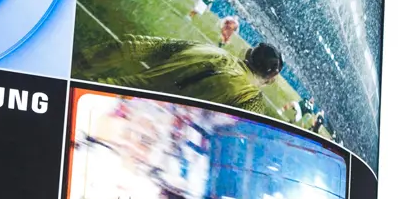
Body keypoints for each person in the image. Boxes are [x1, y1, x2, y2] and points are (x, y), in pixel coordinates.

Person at [96, 37, 286, 123]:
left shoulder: (205, 48)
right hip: (148, 135)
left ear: (248, 53)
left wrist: (84, 61)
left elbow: (134, 46)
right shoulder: (251, 99)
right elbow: (231, 135)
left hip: (106, 100)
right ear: (271, 78)